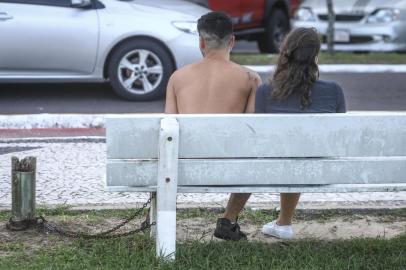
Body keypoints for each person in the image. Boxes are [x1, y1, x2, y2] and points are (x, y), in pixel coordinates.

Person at [220, 27, 347, 240]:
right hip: (322, 168)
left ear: (285, 52)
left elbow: (258, 138)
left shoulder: (266, 92)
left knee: (272, 155)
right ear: (315, 55)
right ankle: (284, 223)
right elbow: (342, 134)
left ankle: (229, 218)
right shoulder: (334, 90)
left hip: (272, 167)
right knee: (300, 151)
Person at [164, 11, 261, 241]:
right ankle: (228, 220)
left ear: (201, 41)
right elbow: (253, 132)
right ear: (232, 42)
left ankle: (157, 216)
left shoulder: (178, 78)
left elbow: (168, 127)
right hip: (231, 167)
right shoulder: (250, 78)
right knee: (253, 157)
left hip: (184, 167)